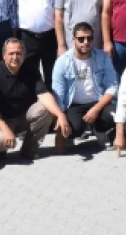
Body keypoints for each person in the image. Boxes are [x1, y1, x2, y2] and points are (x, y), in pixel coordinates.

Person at [0, 38, 64, 161]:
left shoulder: (31, 71)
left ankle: (29, 150)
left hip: (24, 117)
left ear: (23, 55)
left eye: (18, 53)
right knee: (1, 141)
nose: (15, 57)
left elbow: (44, 95)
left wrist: (60, 115)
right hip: (3, 119)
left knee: (47, 110)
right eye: (11, 53)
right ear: (4, 56)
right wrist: (6, 130)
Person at [50, 22, 118, 152]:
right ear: (73, 40)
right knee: (72, 128)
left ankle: (100, 131)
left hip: (98, 102)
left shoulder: (102, 57)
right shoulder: (62, 61)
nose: (85, 42)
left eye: (89, 38)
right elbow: (58, 94)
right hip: (74, 105)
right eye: (81, 39)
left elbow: (113, 86)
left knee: (114, 115)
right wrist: (61, 118)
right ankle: (77, 132)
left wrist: (96, 109)